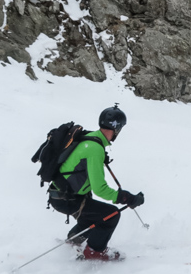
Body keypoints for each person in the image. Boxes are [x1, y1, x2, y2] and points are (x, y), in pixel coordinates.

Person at [49, 104, 145, 260]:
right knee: (111, 214)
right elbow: (100, 189)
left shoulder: (91, 139)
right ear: (117, 129)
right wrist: (127, 198)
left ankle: (74, 239)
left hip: (62, 194)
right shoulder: (95, 149)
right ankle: (94, 251)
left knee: (94, 212)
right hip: (67, 199)